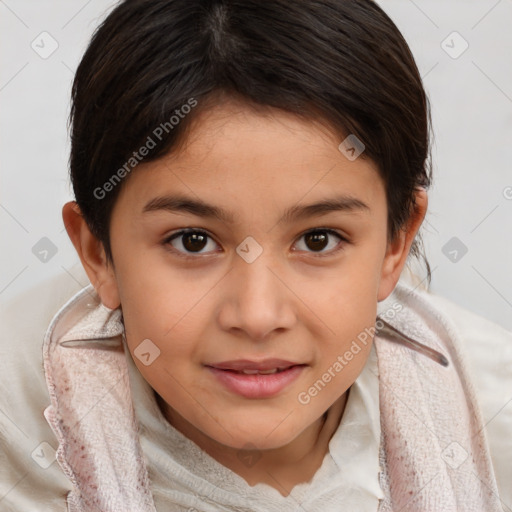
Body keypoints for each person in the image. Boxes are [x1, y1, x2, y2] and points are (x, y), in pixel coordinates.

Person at [1, 0, 511, 510]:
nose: (258, 315)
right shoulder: (16, 441)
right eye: (193, 241)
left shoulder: (493, 421)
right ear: (98, 254)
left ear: (394, 244)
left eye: (318, 240)